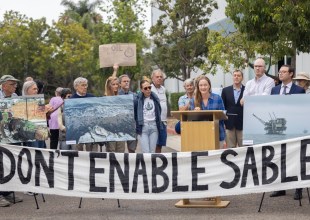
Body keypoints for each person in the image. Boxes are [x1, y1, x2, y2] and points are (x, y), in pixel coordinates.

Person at [269, 65, 305, 200]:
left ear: (291, 74)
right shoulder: (274, 90)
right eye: (279, 72)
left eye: (283, 72)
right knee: (279, 157)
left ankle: (298, 189)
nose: (280, 74)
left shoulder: (299, 90)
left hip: (294, 128)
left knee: (296, 157)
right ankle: (280, 188)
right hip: (278, 129)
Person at [0, 75, 23, 207]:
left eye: (15, 84)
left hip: (12, 136)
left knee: (10, 163)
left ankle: (8, 192)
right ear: (3, 86)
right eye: (12, 84)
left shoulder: (15, 96)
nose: (15, 87)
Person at [189, 75, 226, 148]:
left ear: (209, 86)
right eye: (201, 85)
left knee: (217, 158)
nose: (203, 87)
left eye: (205, 85)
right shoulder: (193, 100)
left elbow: (223, 115)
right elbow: (191, 120)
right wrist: (195, 113)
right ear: (198, 87)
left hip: (217, 135)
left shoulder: (217, 98)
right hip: (201, 136)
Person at [134, 79, 162, 153]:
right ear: (141, 90)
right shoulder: (137, 99)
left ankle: (152, 165)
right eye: (145, 88)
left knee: (152, 152)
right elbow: (135, 113)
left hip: (154, 126)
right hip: (143, 127)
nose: (148, 90)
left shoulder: (155, 98)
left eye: (149, 87)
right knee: (146, 152)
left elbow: (159, 111)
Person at [71, 77, 96, 151]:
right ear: (76, 87)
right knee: (77, 153)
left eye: (86, 85)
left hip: (91, 130)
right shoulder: (71, 100)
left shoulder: (92, 98)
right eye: (83, 85)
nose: (85, 87)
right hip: (77, 132)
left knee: (93, 153)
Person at [221, 70, 245, 148]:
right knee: (230, 148)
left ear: (242, 78)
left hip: (242, 123)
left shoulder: (247, 90)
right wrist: (223, 122)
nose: (236, 77)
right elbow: (223, 107)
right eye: (234, 75)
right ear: (232, 77)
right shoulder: (225, 90)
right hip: (229, 123)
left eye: (238, 75)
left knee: (244, 147)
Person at [104, 75, 125, 153]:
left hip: (121, 129)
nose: (116, 86)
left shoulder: (122, 98)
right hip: (110, 130)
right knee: (111, 152)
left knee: (121, 151)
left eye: (117, 84)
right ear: (109, 86)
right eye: (113, 84)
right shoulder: (105, 99)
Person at [118, 74, 138, 153]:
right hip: (120, 126)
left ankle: (132, 165)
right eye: (124, 81)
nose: (126, 83)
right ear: (120, 84)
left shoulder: (134, 95)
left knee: (132, 149)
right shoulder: (116, 95)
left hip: (131, 126)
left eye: (128, 81)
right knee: (120, 150)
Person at [151, 69, 167, 153]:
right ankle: (152, 162)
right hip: (154, 121)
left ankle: (157, 161)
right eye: (157, 77)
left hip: (163, 121)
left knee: (160, 144)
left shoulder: (163, 89)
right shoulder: (149, 89)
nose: (159, 78)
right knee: (154, 144)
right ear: (152, 78)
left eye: (161, 77)